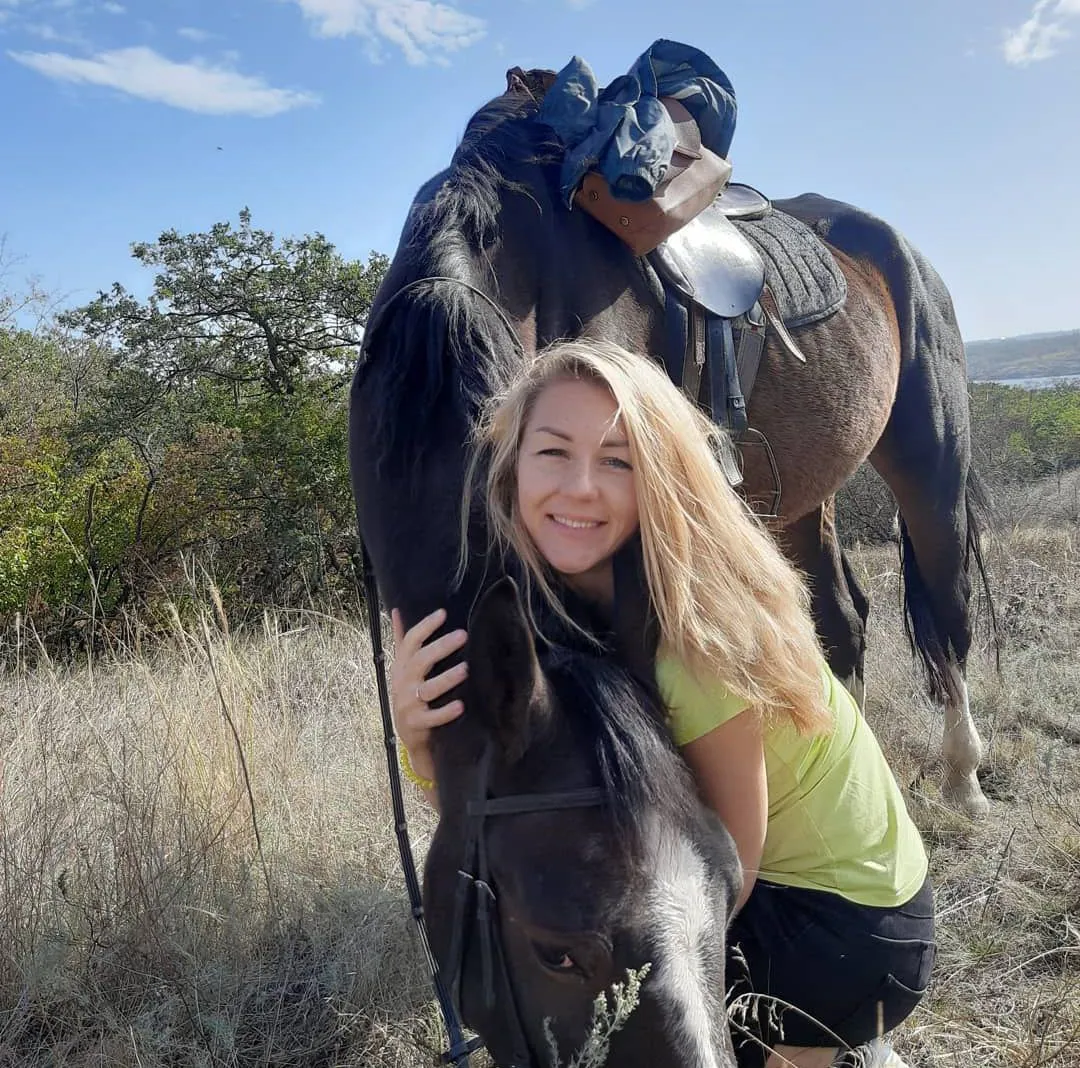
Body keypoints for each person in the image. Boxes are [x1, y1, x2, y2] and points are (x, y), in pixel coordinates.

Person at [390, 338, 934, 1068]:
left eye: (619, 461)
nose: (581, 487)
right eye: (553, 452)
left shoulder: (692, 642)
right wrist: (421, 741)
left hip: (839, 921)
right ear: (511, 465)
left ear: (662, 480)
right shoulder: (558, 589)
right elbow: (521, 820)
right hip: (771, 886)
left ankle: (835, 1047)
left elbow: (716, 876)